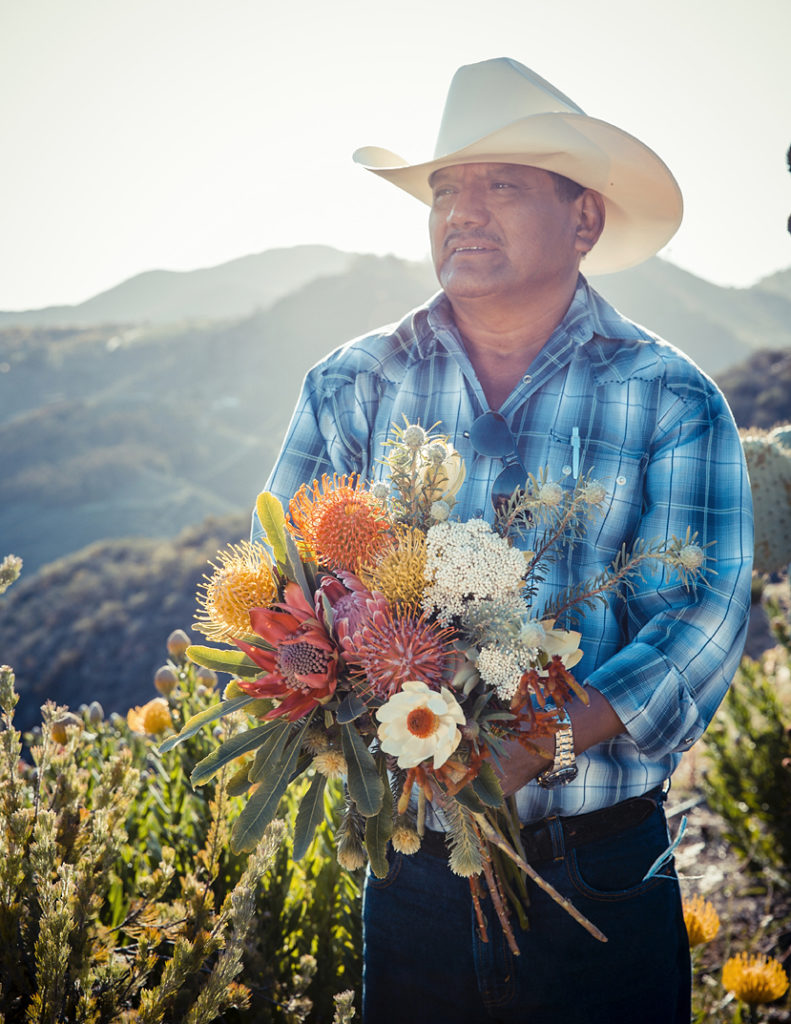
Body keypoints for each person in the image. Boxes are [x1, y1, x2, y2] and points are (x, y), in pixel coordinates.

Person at [255, 58, 753, 1023]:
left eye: (503, 185)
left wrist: (544, 739)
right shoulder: (350, 386)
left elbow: (704, 609)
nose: (463, 211)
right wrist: (350, 703)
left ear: (584, 220)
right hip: (415, 872)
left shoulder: (671, 398)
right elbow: (290, 593)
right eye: (447, 189)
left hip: (599, 869)